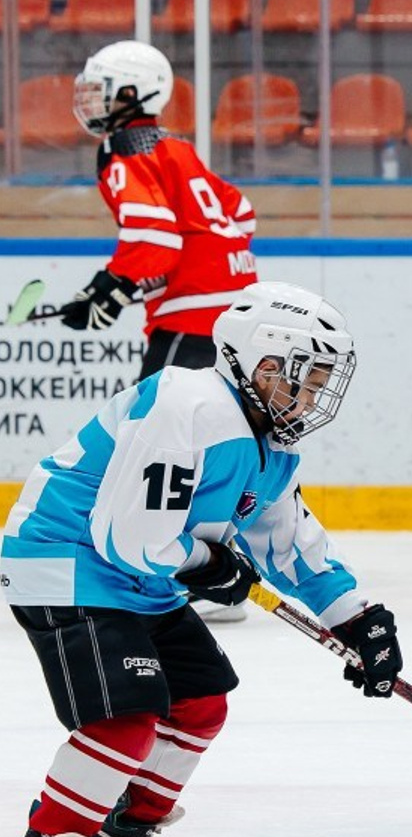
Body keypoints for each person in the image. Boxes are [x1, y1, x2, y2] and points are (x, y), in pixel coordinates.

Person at [0, 282, 404, 837]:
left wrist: (356, 618)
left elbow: (284, 538)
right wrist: (206, 562)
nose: (317, 394)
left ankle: (123, 832)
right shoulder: (189, 403)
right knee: (125, 717)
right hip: (65, 562)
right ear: (265, 365)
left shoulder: (271, 442)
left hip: (134, 573)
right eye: (311, 376)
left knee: (200, 701)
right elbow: (128, 537)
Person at [64, 41, 260, 623]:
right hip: (234, 312)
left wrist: (108, 288)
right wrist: (129, 287)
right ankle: (215, 571)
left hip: (193, 316)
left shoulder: (124, 151)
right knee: (209, 445)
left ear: (134, 94)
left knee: (149, 442)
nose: (92, 102)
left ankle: (176, 574)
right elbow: (238, 214)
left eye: (104, 89)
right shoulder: (174, 147)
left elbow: (156, 238)